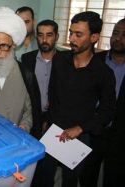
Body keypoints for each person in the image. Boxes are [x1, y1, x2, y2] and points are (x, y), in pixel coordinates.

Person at [34, 11, 116, 187]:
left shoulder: (103, 73)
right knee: (43, 176)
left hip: (79, 136)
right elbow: (52, 93)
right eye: (71, 32)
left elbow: (107, 111)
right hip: (53, 131)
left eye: (78, 34)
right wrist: (47, 120)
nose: (71, 38)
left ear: (94, 37)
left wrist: (81, 128)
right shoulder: (60, 60)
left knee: (70, 181)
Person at [84, 18, 125, 187]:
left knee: (114, 177)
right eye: (115, 33)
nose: (118, 38)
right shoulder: (95, 60)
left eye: (124, 35)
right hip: (94, 130)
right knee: (87, 174)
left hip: (120, 134)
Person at [21, 19, 59, 139]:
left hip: (55, 119)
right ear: (36, 37)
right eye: (41, 35)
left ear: (57, 37)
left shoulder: (65, 61)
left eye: (49, 35)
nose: (44, 40)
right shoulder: (27, 59)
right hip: (32, 117)